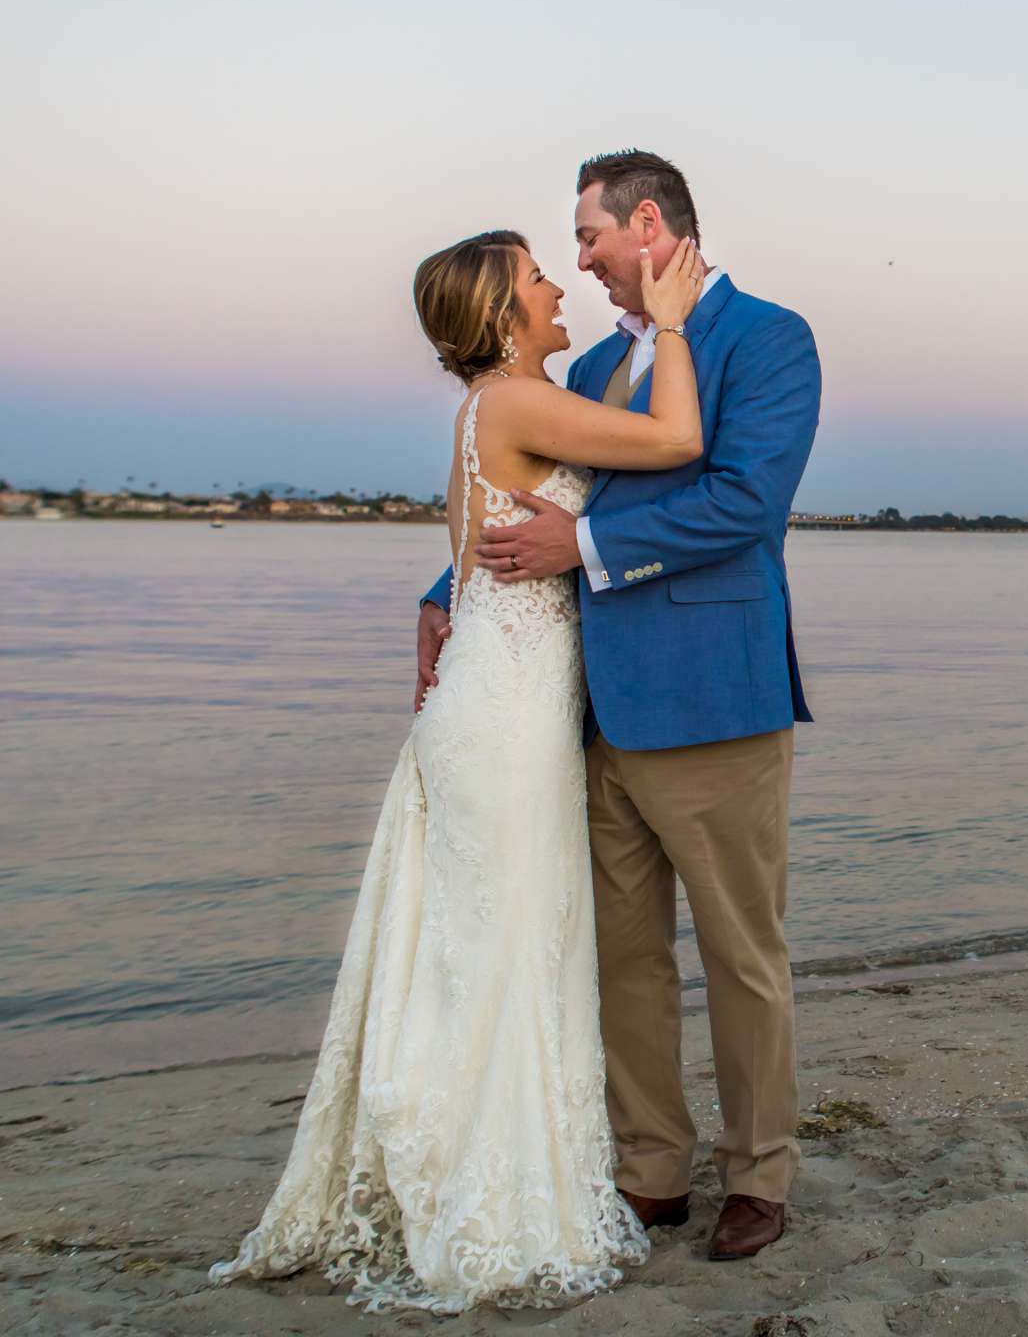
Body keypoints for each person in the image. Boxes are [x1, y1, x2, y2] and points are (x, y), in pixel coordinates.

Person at [209, 225, 708, 1312]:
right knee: (508, 947)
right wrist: (670, 326)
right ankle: (486, 1193)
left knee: (497, 946)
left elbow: (465, 556)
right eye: (536, 275)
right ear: (501, 313)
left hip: (504, 698)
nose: (553, 284)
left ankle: (480, 1167)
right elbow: (675, 440)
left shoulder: (492, 409)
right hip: (506, 715)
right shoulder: (514, 400)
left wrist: (436, 602)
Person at [416, 150, 821, 1260]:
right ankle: (651, 1170)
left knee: (743, 955)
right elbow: (526, 487)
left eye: (587, 237)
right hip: (589, 712)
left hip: (716, 705)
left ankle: (758, 1172)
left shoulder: (770, 339)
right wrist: (445, 589)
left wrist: (584, 546)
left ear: (649, 223)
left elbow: (742, 502)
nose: (581, 261)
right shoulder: (589, 363)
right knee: (625, 958)